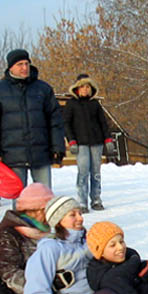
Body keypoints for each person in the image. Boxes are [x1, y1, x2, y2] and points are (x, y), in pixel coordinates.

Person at [0, 183, 95, 294]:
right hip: (27, 285)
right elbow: (9, 272)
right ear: (35, 211)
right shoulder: (10, 234)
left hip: (60, 282)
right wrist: (44, 287)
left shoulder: (58, 228)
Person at [0, 49, 64, 199]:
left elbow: (55, 120)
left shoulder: (43, 89)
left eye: (26, 63)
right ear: (10, 67)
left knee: (45, 197)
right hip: (12, 155)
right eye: (20, 64)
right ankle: (21, 223)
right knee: (19, 200)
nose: (24, 67)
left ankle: (44, 223)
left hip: (40, 152)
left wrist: (58, 147)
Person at [62, 73, 113, 212]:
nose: (85, 89)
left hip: (96, 143)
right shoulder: (71, 104)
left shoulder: (95, 104)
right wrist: (71, 140)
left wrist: (108, 139)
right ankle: (82, 202)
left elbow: (103, 123)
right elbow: (66, 124)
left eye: (88, 87)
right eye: (82, 87)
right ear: (77, 88)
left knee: (96, 172)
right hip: (80, 144)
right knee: (83, 172)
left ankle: (96, 199)